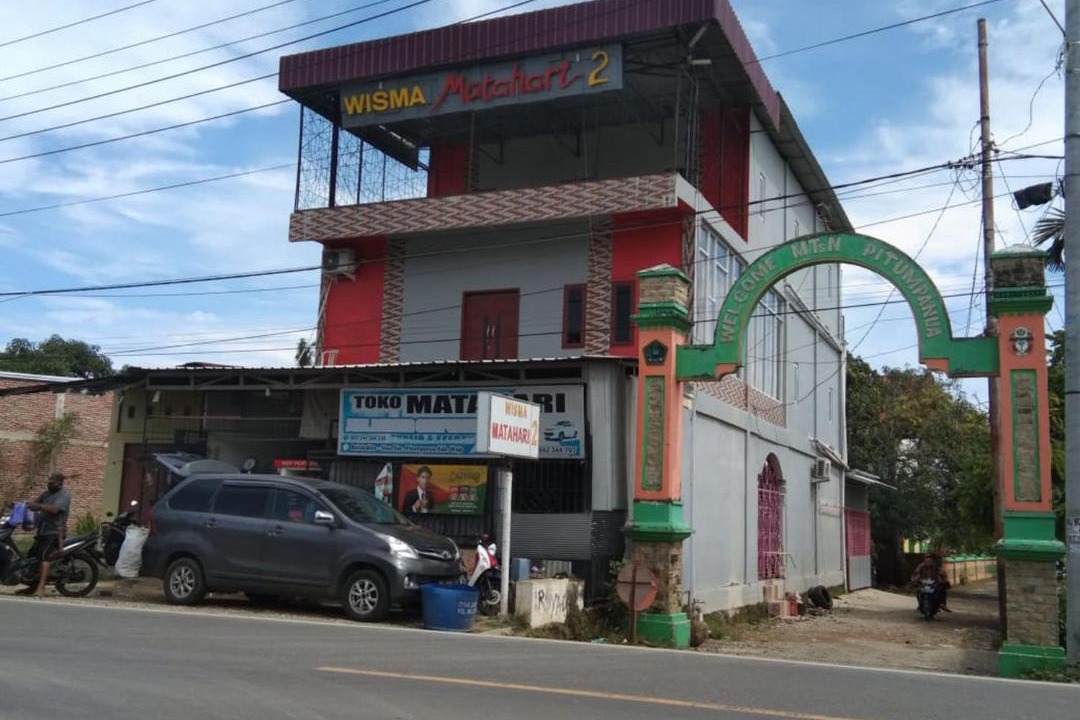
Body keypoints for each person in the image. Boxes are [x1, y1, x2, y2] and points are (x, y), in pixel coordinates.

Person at [17, 472, 71, 598]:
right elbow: (35, 504)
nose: (49, 485)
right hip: (42, 530)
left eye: (52, 483)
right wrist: (22, 506)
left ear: (59, 484)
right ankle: (32, 586)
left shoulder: (64, 495)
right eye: (48, 483)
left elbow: (55, 509)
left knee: (44, 557)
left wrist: (39, 506)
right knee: (32, 556)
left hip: (54, 532)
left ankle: (41, 587)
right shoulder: (46, 494)